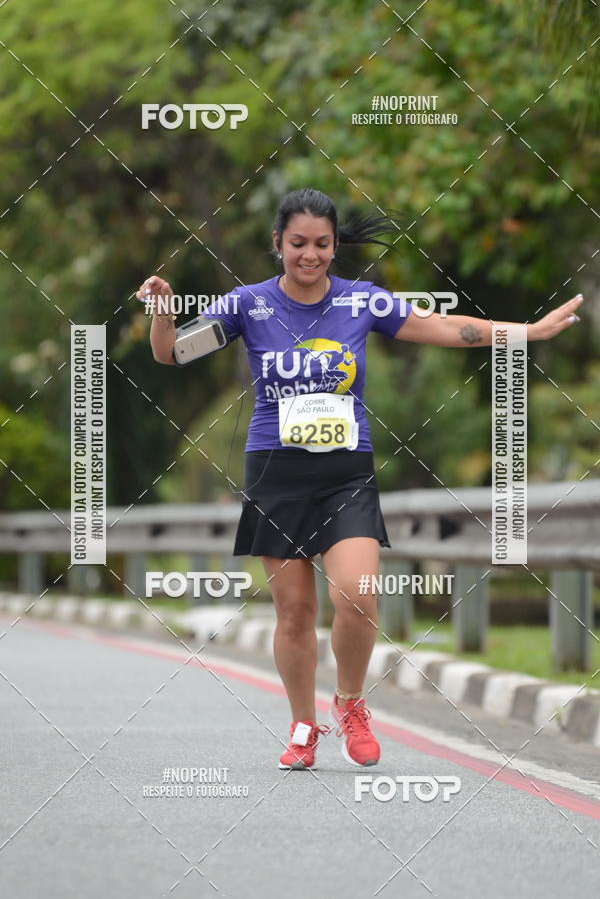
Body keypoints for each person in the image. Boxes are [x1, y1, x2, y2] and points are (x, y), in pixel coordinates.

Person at [136, 188, 583, 771]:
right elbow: (171, 354)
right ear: (278, 243)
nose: (310, 255)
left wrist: (528, 332)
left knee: (357, 595)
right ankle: (302, 726)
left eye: (322, 244)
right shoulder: (248, 304)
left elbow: (447, 328)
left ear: (334, 246)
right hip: (275, 474)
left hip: (345, 474)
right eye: (298, 243)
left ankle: (350, 703)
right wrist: (163, 312)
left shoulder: (361, 301)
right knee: (295, 612)